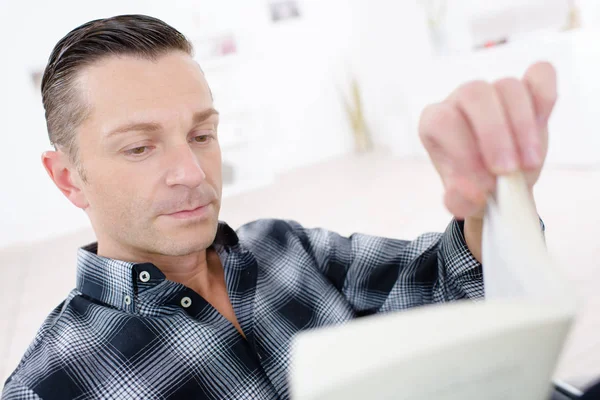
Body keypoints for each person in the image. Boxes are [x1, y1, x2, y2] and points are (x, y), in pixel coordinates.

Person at [1, 14, 556, 400]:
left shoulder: (285, 248)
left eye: (201, 134)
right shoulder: (47, 386)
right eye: (140, 147)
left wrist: (494, 196)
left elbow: (449, 283)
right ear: (69, 179)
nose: (193, 174)